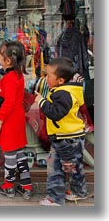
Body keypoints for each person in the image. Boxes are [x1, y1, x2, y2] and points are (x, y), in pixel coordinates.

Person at [34, 57, 87, 206]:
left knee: (55, 168)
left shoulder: (62, 93)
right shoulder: (72, 90)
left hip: (65, 138)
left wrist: (42, 101)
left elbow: (56, 113)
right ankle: (79, 192)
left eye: (49, 75)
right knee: (74, 167)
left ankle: (55, 198)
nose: (46, 78)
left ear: (61, 80)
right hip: (72, 137)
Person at [0, 41, 32, 200]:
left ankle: (8, 185)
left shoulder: (10, 78)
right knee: (19, 152)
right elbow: (5, 93)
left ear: (8, 60)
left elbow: (8, 101)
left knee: (10, 154)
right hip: (16, 117)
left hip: (9, 119)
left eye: (0, 55)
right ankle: (26, 185)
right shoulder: (16, 75)